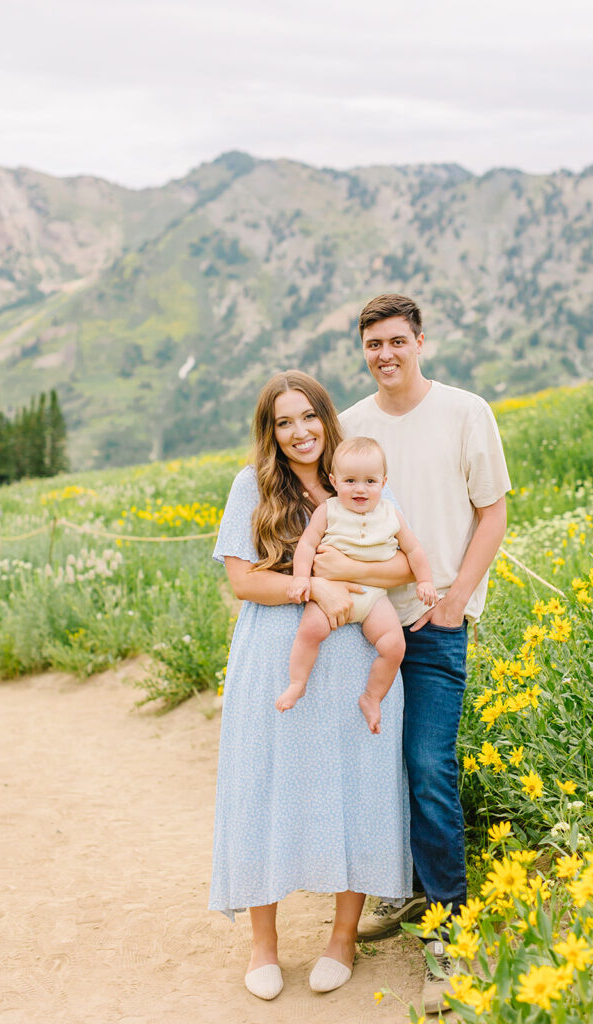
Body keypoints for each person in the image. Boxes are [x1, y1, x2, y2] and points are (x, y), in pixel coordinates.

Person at [312, 295, 511, 1015]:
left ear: (420, 341)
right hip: (361, 628)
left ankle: (450, 939)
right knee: (374, 767)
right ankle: (411, 893)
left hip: (437, 624)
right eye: (373, 343)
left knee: (428, 767)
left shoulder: (465, 411)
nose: (385, 353)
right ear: (363, 350)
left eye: (397, 340)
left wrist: (458, 595)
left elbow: (493, 510)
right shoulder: (354, 428)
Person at [209, 370, 412, 1002]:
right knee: (263, 783)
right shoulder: (254, 485)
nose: (299, 433)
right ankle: (263, 947)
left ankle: (342, 939)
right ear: (270, 432)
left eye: (308, 417)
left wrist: (344, 571)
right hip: (276, 654)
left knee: (361, 783)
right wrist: (310, 586)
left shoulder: (357, 476)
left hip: (357, 657)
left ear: (327, 416)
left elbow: (408, 561)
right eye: (283, 422)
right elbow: (243, 581)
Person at [276, 436, 437, 733]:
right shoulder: (329, 510)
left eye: (370, 481)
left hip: (374, 598)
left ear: (383, 482)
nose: (360, 489)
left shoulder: (391, 514)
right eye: (350, 481)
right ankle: (298, 683)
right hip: (328, 592)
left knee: (393, 645)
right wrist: (301, 577)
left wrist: (425, 580)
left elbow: (414, 551)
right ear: (334, 481)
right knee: (310, 631)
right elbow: (307, 545)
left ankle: (372, 697)